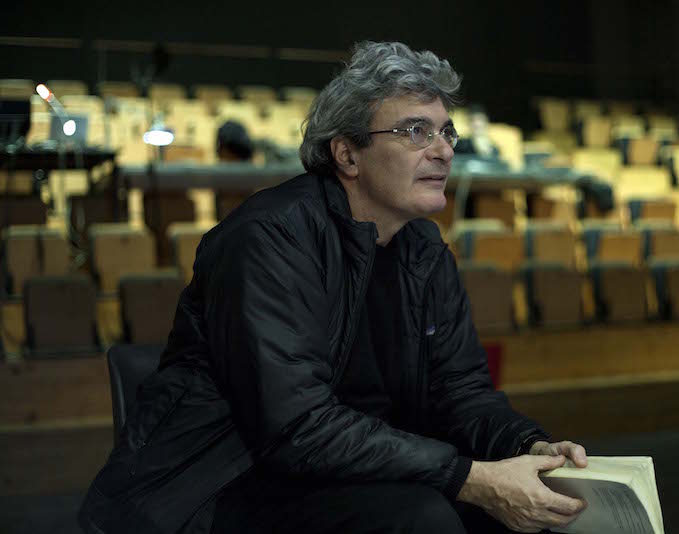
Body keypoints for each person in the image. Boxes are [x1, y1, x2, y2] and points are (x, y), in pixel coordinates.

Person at [79, 41, 588, 534]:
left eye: (446, 132)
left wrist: (527, 446)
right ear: (347, 154)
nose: (443, 151)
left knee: (531, 512)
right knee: (423, 516)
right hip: (223, 487)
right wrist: (470, 478)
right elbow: (296, 427)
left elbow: (462, 391)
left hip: (352, 472)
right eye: (416, 131)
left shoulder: (425, 249)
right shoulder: (269, 238)